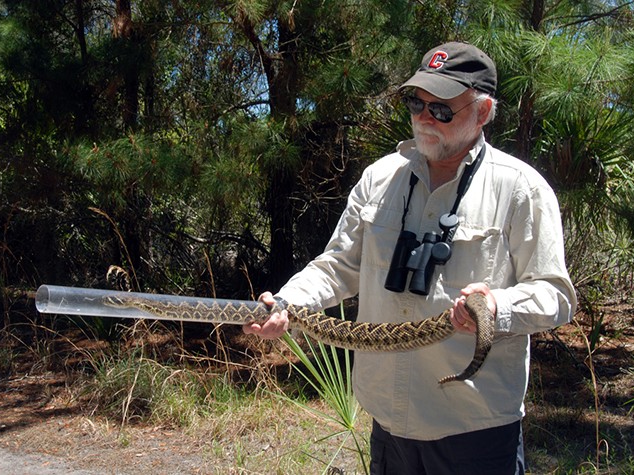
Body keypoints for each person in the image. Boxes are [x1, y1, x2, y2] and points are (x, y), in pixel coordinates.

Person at [245, 42, 576, 474]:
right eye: (416, 102)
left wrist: (497, 306)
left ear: (483, 111)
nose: (423, 116)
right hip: (389, 422)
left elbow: (556, 295)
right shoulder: (379, 179)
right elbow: (338, 266)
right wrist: (287, 303)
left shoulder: (521, 190)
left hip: (474, 430)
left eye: (442, 109)